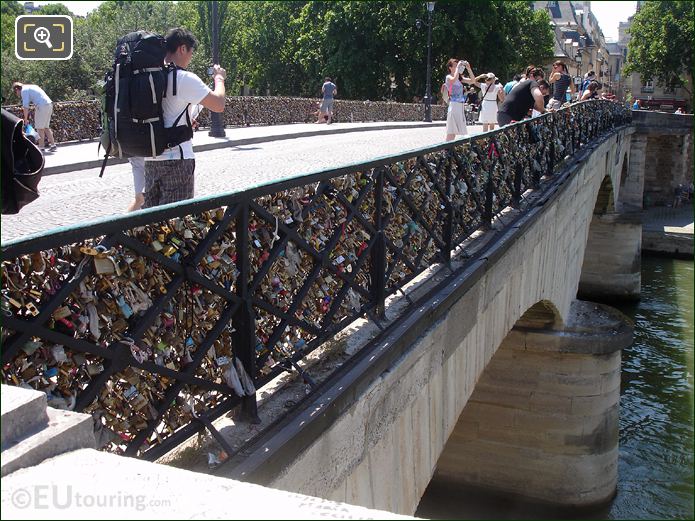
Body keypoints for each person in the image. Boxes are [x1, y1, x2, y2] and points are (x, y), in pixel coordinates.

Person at [142, 28, 226, 209]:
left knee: (150, 223)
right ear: (182, 49)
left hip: (151, 158)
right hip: (178, 158)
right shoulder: (183, 78)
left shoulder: (150, 77)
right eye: (191, 52)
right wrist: (219, 79)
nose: (191, 57)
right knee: (175, 224)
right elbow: (218, 104)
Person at [12, 82, 56, 152]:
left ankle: (41, 147)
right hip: (49, 104)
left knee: (39, 128)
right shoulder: (31, 86)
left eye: (15, 92)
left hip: (42, 106)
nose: (17, 94)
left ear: (17, 89)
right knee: (46, 127)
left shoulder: (24, 91)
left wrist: (25, 119)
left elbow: (25, 106)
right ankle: (53, 145)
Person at [444, 58, 476, 141]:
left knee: (455, 131)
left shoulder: (460, 78)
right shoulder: (448, 77)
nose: (457, 67)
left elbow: (473, 81)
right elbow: (453, 79)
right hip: (454, 105)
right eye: (455, 66)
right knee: (451, 131)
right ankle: (446, 149)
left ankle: (448, 150)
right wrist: (458, 68)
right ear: (450, 68)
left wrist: (469, 68)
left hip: (460, 106)